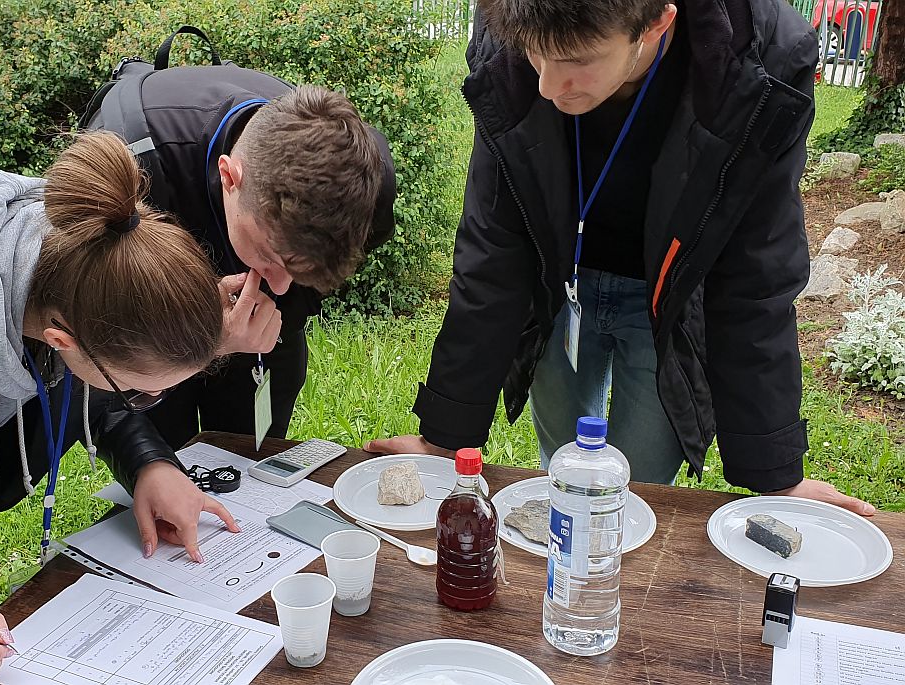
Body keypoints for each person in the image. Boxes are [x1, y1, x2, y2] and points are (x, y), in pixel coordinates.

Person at [366, 0, 874, 515]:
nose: (546, 87)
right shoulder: (513, 27)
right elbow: (492, 249)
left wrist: (776, 476)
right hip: (560, 283)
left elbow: (756, 273)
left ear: (657, 23)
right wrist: (444, 439)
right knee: (564, 465)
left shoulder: (764, 62)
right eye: (536, 56)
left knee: (635, 490)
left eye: (578, 59)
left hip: (669, 302)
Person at [0, 131, 245, 685]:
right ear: (60, 342)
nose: (144, 403)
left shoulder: (82, 262)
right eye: (138, 392)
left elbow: (97, 387)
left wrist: (149, 461)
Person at [86, 68, 397, 450]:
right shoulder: (127, 168)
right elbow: (101, 348)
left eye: (299, 270)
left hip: (259, 340)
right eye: (270, 256)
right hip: (142, 321)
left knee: (253, 448)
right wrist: (201, 336)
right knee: (167, 455)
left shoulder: (367, 181)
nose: (280, 285)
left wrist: (280, 314)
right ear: (229, 177)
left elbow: (309, 281)